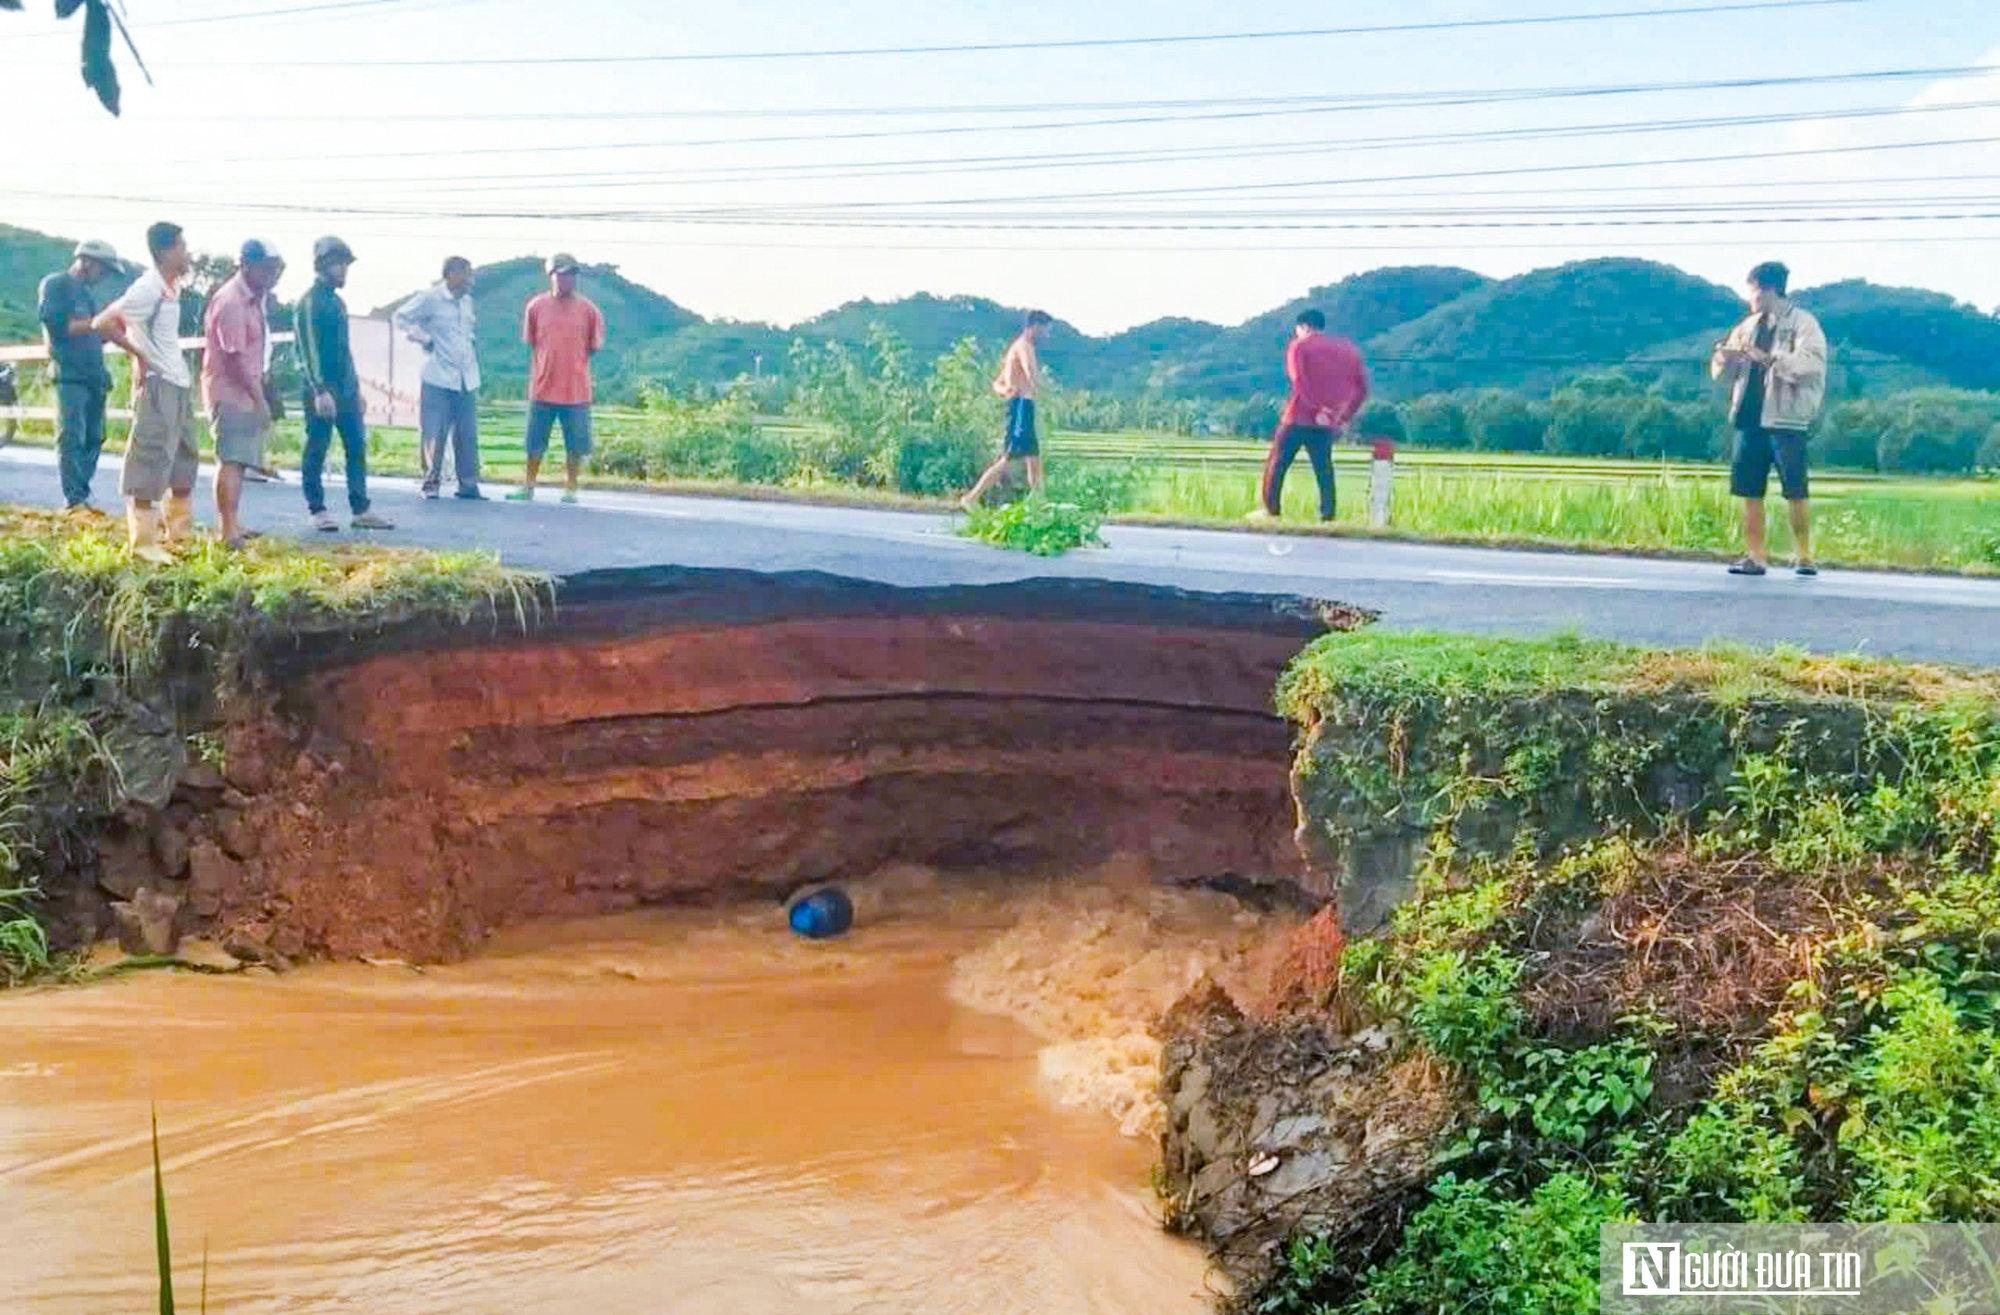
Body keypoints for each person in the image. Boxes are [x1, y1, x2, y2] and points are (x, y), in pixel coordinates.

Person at [1711, 260, 1826, 577]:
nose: (1750, 300)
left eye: (1753, 292)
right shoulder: (1746, 327)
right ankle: (1756, 556)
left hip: (1786, 418)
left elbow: (1810, 366)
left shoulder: (1804, 325)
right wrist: (1723, 357)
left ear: (1768, 290)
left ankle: (1804, 556)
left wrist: (1769, 358)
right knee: (1748, 490)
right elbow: (1720, 370)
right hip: (1748, 417)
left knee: (1795, 489)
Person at [92, 222, 198, 563]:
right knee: (150, 457)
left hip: (178, 382)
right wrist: (139, 355)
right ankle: (143, 544)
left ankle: (179, 534)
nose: (187, 253)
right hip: (159, 384)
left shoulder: (171, 288)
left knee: (184, 457)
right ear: (165, 252)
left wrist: (139, 349)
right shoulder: (147, 287)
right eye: (182, 247)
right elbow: (104, 322)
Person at [296, 235, 394, 532]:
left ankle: (361, 508)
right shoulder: (310, 302)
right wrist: (320, 390)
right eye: (339, 264)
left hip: (346, 389)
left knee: (356, 446)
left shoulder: (337, 302)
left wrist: (357, 389)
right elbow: (308, 349)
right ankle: (317, 509)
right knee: (317, 447)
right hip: (322, 391)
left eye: (345, 265)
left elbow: (344, 350)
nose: (344, 271)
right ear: (323, 265)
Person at [202, 239, 284, 548]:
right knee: (231, 460)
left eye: (276, 270)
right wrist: (259, 400)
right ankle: (227, 530)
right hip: (232, 391)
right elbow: (235, 358)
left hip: (245, 390)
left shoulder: (254, 298)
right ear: (247, 266)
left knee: (240, 459)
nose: (273, 276)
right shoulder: (231, 301)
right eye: (267, 269)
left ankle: (233, 523)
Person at [1252, 309, 1370, 523]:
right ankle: (1328, 516)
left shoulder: (1299, 346)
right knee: (1324, 468)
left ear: (1303, 326)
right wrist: (1341, 416)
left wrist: (1317, 408)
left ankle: (1271, 511)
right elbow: (1362, 389)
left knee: (1277, 463)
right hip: (1327, 423)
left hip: (1298, 416)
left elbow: (1299, 381)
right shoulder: (1348, 349)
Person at [510, 252, 604, 504]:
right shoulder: (536, 307)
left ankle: (571, 489)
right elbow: (532, 342)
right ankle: (528, 486)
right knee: (534, 443)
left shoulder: (589, 310)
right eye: (562, 275)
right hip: (542, 387)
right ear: (551, 276)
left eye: (571, 275)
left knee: (575, 444)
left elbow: (594, 346)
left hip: (575, 389)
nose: (567, 281)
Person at [37, 238, 121, 516]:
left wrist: (111, 329)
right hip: (69, 374)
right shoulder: (56, 285)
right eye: (104, 269)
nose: (104, 276)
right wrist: (99, 323)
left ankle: (81, 495)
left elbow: (93, 333)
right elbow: (59, 328)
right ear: (87, 261)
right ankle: (74, 500)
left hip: (94, 376)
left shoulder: (87, 295)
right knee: (71, 436)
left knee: (95, 437)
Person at [395, 255, 484, 500]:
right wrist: (424, 338)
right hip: (438, 377)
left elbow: (467, 334)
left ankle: (468, 485)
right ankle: (431, 482)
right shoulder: (430, 298)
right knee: (435, 431)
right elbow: (400, 317)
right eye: (466, 274)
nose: (470, 280)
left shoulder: (467, 302)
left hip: (466, 377)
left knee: (467, 432)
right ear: (451, 275)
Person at [959, 309, 1052, 510]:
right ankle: (971, 498)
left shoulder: (1015, 348)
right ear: (1035, 326)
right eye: (1045, 330)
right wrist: (1041, 396)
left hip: (1022, 405)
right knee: (1008, 458)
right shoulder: (1025, 347)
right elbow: (1032, 374)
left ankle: (1038, 503)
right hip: (1021, 407)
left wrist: (1007, 389)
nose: (1046, 335)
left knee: (1033, 459)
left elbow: (997, 383)